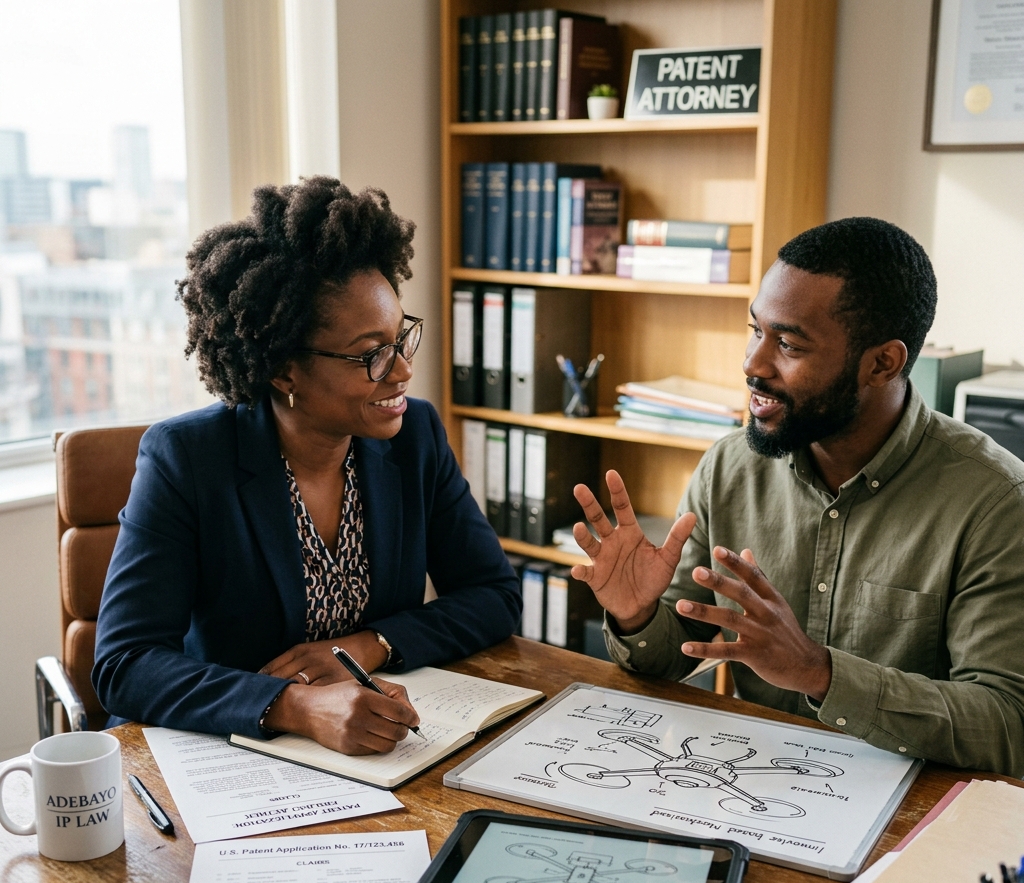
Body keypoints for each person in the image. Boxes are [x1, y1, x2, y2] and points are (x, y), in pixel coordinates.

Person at [570, 217, 1024, 776]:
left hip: (909, 817)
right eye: (755, 331)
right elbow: (679, 648)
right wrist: (639, 618)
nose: (753, 365)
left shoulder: (995, 502)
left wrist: (821, 673)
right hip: (745, 782)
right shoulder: (730, 466)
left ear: (882, 362)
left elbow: (1008, 724)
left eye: (787, 344)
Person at [94, 178, 521, 754]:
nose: (401, 372)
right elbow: (126, 665)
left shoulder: (413, 435)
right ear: (283, 370)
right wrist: (293, 706)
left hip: (381, 753)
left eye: (402, 339)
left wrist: (371, 645)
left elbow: (494, 594)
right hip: (231, 757)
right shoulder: (186, 460)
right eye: (372, 354)